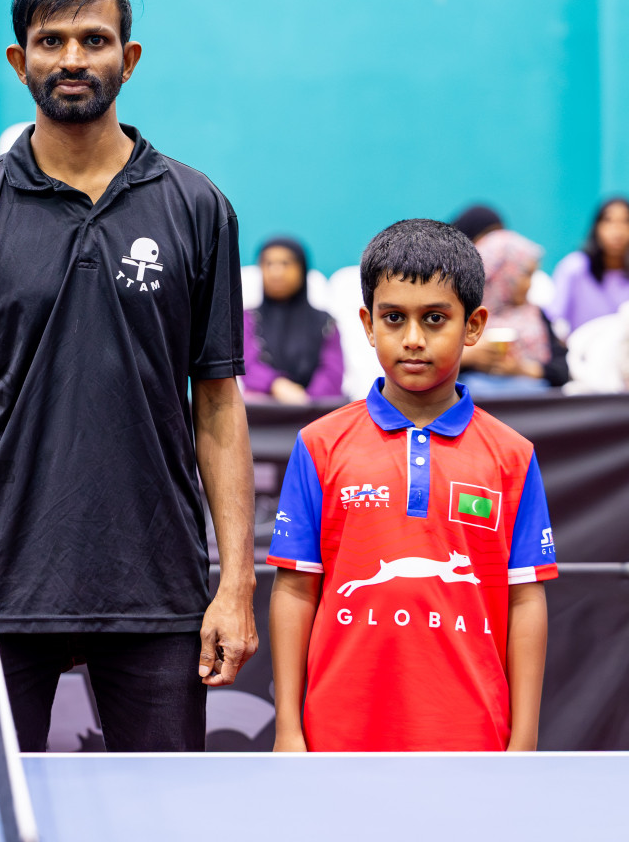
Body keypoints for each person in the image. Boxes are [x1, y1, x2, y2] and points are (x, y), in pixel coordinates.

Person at [0, 0, 257, 753]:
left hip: (157, 589)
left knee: (160, 820)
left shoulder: (198, 208)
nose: (71, 58)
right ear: (17, 60)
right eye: (50, 40)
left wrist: (235, 584)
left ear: (128, 60)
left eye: (93, 40)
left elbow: (220, 408)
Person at [269, 219, 555, 751]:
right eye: (394, 318)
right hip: (339, 734)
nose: (414, 339)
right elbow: (295, 589)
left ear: (473, 327)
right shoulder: (319, 444)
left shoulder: (513, 456)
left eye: (436, 319)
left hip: (472, 736)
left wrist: (525, 740)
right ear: (367, 324)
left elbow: (525, 601)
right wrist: (289, 727)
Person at [460, 229, 568, 396]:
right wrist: (467, 357)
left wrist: (522, 369)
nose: (529, 284)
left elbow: (562, 370)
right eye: (525, 275)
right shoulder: (465, 316)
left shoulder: (535, 315)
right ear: (501, 273)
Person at [242, 237, 344, 403]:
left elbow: (332, 372)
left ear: (302, 268)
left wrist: (306, 401)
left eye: (285, 263)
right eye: (268, 264)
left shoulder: (325, 322)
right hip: (262, 414)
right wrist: (276, 385)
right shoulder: (248, 318)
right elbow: (248, 366)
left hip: (315, 412)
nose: (276, 272)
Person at [547, 197, 629, 336]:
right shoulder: (574, 267)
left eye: (625, 222)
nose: (617, 230)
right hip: (581, 354)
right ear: (596, 226)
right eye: (609, 221)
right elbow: (554, 319)